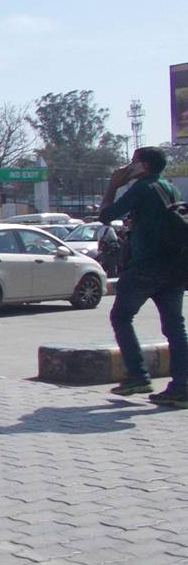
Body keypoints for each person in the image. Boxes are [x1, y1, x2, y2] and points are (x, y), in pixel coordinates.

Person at [99, 146, 188, 404]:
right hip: (173, 268)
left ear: (143, 166)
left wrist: (113, 185)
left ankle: (138, 375)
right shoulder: (171, 188)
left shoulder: (141, 188)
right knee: (175, 327)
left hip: (145, 267)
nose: (129, 167)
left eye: (133, 162)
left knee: (121, 316)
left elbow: (106, 216)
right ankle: (182, 386)